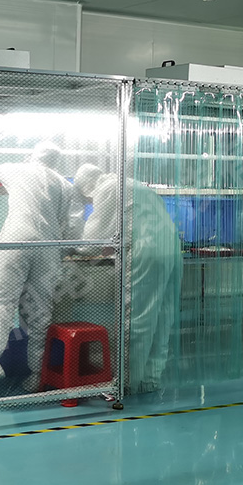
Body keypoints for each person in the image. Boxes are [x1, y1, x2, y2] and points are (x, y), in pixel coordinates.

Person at [0, 141, 83, 391]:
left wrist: (25, 162)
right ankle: (35, 375)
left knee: (3, 302)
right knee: (39, 312)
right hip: (48, 247)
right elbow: (73, 227)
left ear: (33, 155)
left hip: (17, 239)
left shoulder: (17, 169)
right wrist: (63, 250)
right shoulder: (65, 185)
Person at [74, 164, 181, 394]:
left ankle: (126, 384)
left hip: (147, 251)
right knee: (162, 318)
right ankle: (150, 380)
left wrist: (72, 247)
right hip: (171, 247)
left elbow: (92, 239)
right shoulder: (132, 183)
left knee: (136, 320)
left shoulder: (106, 189)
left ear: (86, 188)